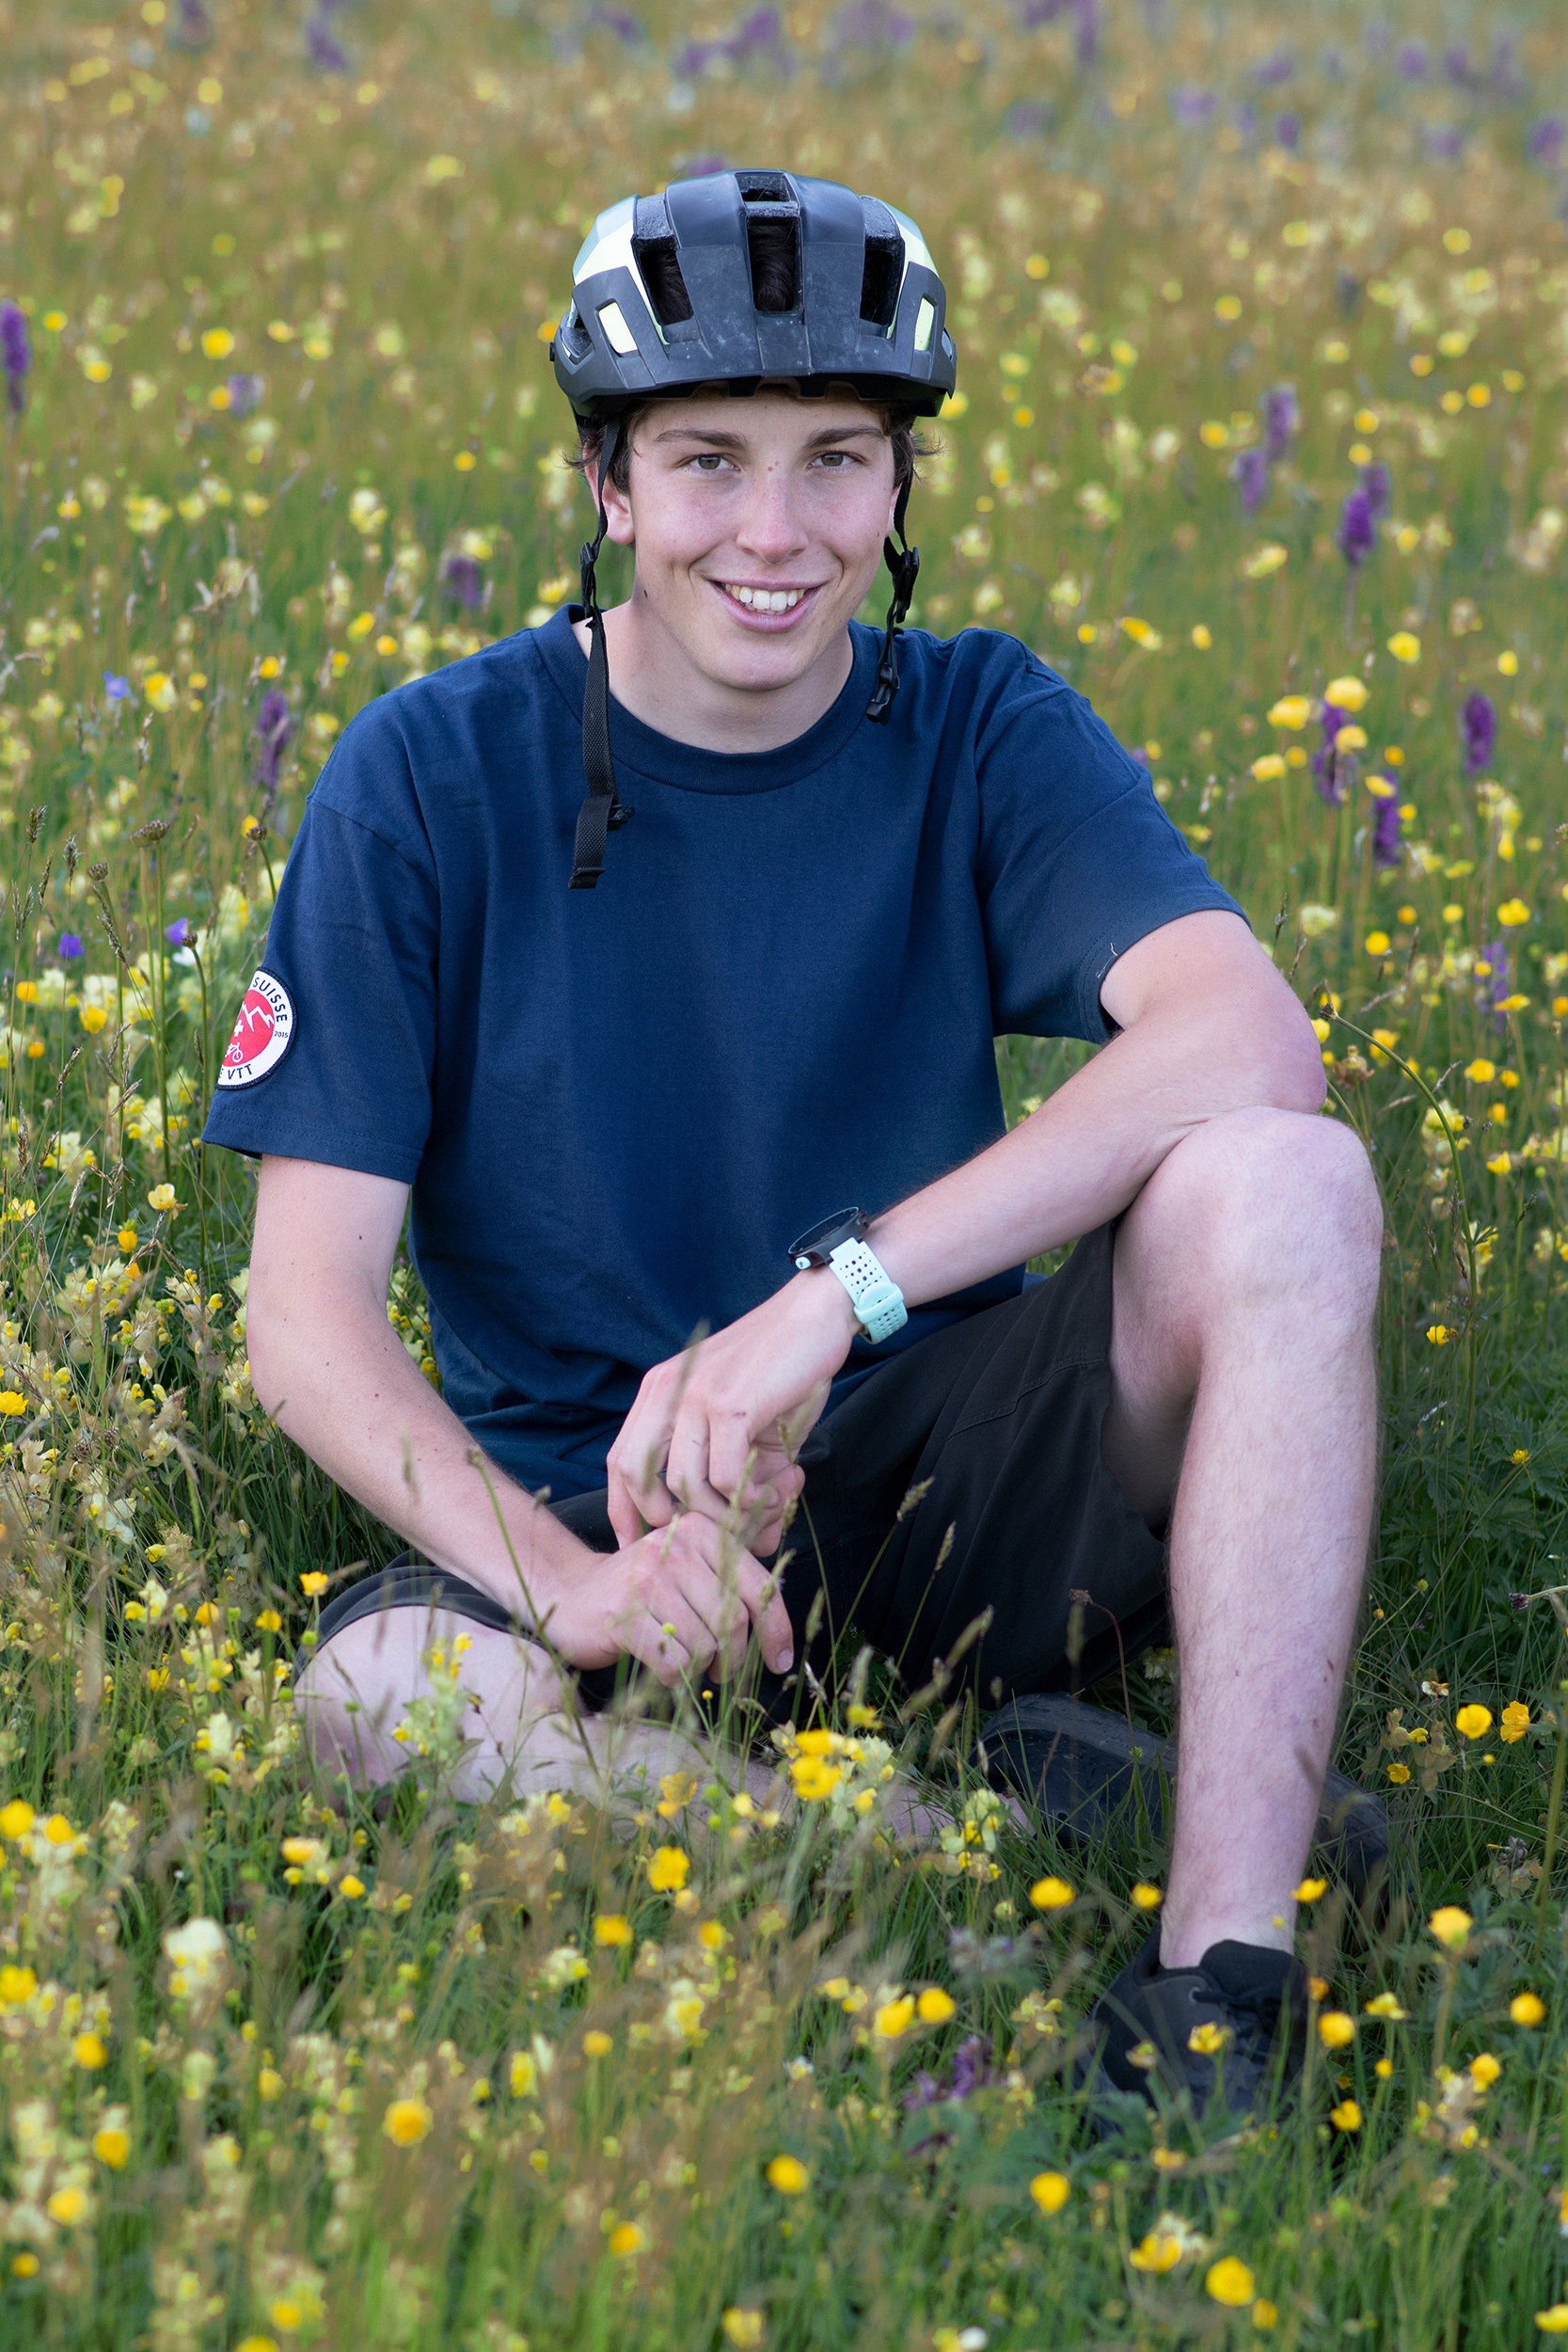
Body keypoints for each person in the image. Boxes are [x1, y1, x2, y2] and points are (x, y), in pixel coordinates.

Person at [204, 167, 1385, 2120]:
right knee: (375, 1700)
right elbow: (302, 1319)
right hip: (583, 1509)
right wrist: (572, 1583)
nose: (776, 531)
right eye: (705, 461)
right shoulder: (427, 773)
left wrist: (837, 1297)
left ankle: (1219, 1983)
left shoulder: (983, 719)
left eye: (840, 458)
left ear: (900, 487)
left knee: (1289, 1179)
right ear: (609, 486)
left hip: (937, 1483)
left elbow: (1251, 1035)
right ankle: (954, 1815)